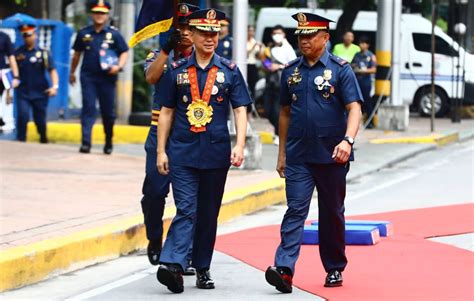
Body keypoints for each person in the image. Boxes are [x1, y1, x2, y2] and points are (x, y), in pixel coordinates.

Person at [265, 12, 362, 293]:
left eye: (310, 36)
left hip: (333, 154)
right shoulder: (290, 70)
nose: (304, 41)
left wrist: (348, 140)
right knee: (295, 209)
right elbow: (284, 112)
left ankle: (334, 267)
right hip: (298, 153)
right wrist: (281, 153)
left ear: (325, 37)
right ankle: (284, 269)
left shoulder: (341, 69)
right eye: (301, 36)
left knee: (331, 211)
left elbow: (354, 108)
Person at [155, 8, 251, 293]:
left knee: (208, 212)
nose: (210, 39)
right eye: (204, 34)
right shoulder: (176, 72)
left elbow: (241, 110)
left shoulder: (230, 72)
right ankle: (173, 264)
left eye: (214, 34)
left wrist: (240, 144)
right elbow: (167, 112)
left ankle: (203, 267)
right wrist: (161, 151)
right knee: (186, 207)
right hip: (183, 151)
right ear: (192, 35)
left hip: (216, 152)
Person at [140, 2, 198, 275]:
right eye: (180, 27)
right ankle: (154, 237)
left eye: (189, 28)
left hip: (189, 133)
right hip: (158, 133)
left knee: (188, 200)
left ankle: (181, 254)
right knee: (154, 192)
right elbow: (151, 77)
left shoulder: (203, 59)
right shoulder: (160, 54)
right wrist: (166, 50)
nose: (185, 33)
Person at [70, 0, 129, 154]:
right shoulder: (84, 33)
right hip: (88, 77)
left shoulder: (114, 34)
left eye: (102, 13)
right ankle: (86, 143)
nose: (99, 16)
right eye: (96, 12)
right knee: (88, 109)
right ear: (92, 14)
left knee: (107, 112)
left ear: (107, 15)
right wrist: (72, 72)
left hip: (107, 79)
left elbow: (124, 51)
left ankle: (108, 140)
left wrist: (119, 66)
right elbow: (76, 55)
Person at [14, 24, 59, 143]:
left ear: (35, 35)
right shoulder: (18, 53)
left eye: (30, 34)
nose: (28, 37)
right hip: (23, 92)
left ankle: (43, 138)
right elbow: (11, 71)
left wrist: (54, 87)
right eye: (25, 35)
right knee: (22, 116)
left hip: (40, 92)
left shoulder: (43, 53)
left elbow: (52, 71)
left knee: (39, 119)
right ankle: (21, 141)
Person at [260, 25, 296, 144]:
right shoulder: (269, 48)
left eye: (279, 33)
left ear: (284, 35)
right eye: (275, 33)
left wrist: (279, 66)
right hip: (270, 81)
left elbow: (293, 65)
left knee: (277, 110)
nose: (277, 36)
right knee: (267, 110)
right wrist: (267, 65)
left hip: (282, 82)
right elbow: (265, 62)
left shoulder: (288, 49)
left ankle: (279, 134)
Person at [351, 36, 376, 128]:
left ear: (367, 45)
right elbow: (352, 65)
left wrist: (363, 71)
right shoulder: (357, 55)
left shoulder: (371, 56)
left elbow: (374, 69)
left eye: (364, 43)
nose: (362, 45)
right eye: (361, 43)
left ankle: (370, 122)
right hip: (357, 81)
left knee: (367, 102)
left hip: (366, 82)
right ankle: (357, 122)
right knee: (357, 101)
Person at [0, 31, 20, 129]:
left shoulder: (4, 37)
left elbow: (11, 58)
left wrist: (16, 76)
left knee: (7, 98)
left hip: (2, 72)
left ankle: (5, 120)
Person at [246, 25, 262, 100]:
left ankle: (252, 103)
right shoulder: (243, 41)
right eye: (249, 31)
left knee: (253, 86)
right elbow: (245, 54)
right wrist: (253, 46)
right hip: (246, 64)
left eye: (252, 31)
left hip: (253, 65)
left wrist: (261, 48)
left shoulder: (254, 41)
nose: (251, 33)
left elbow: (258, 56)